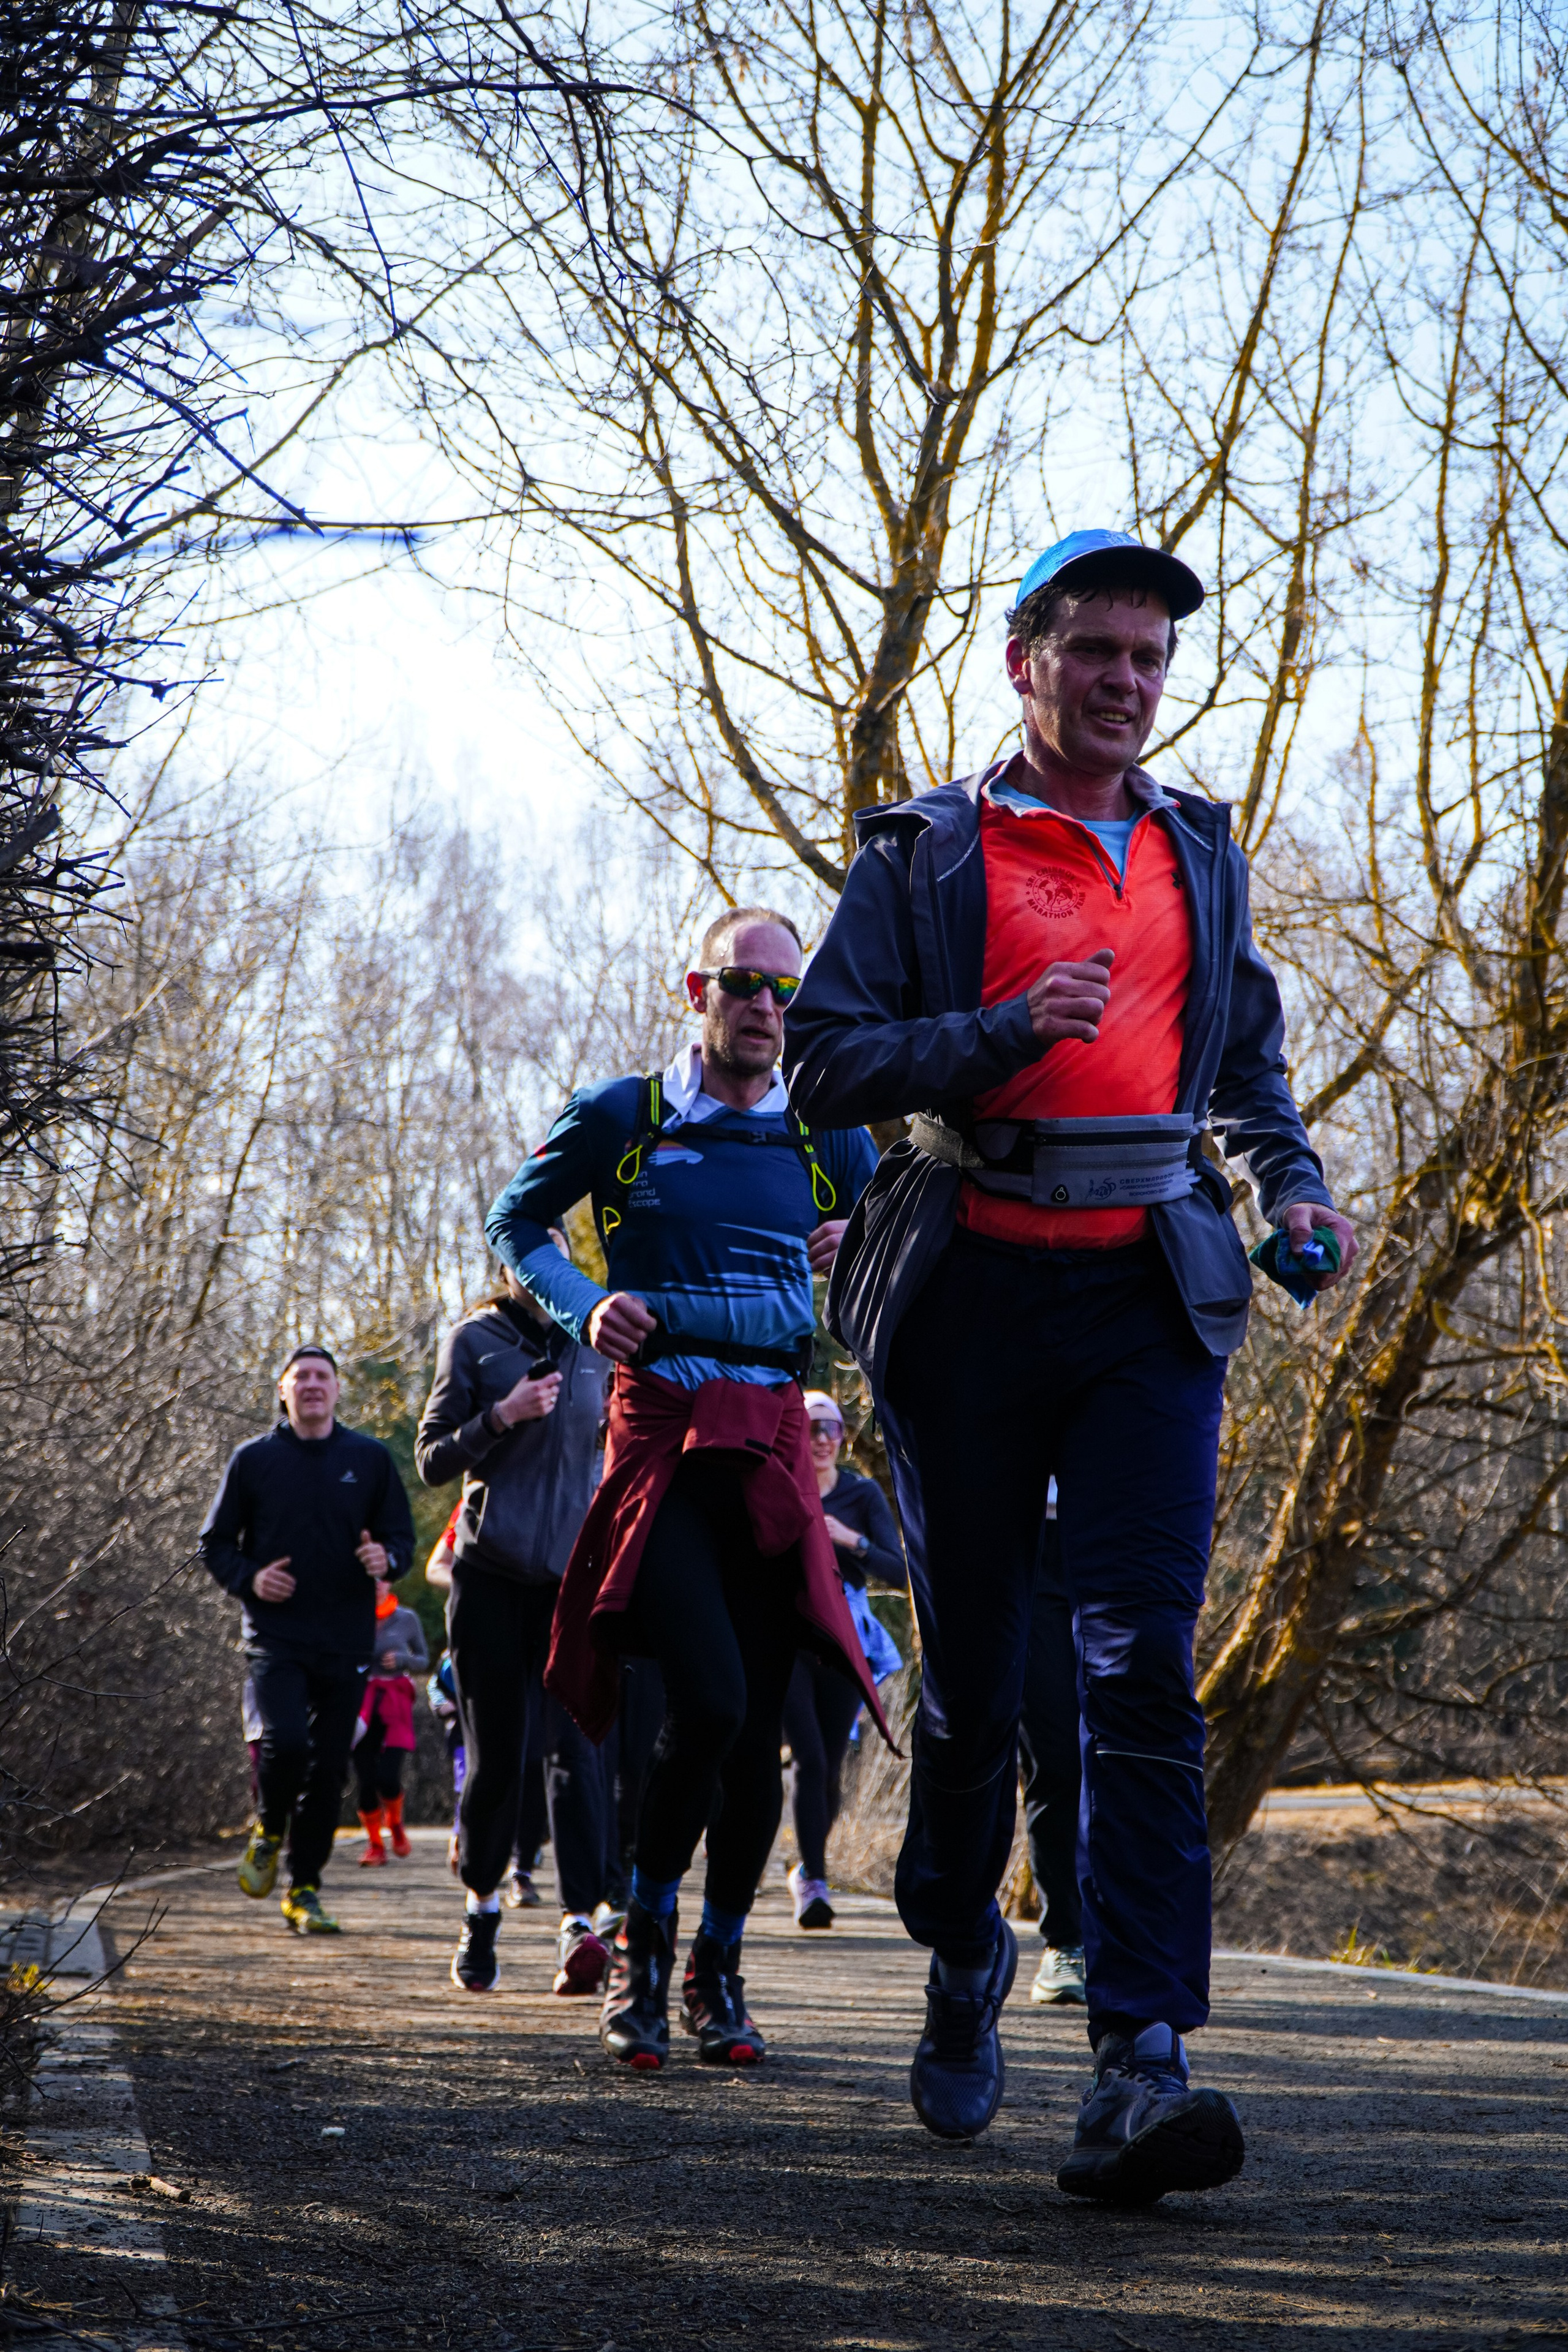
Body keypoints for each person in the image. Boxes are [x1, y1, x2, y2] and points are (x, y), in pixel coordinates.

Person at [783, 527, 1358, 2201]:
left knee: (1134, 1671)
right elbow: (823, 1064)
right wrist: (996, 1035)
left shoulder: (1200, 849)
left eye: (1150, 658)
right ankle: (961, 1939)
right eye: (1094, 651)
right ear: (1023, 662)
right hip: (972, 1298)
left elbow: (1244, 1072)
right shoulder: (932, 853)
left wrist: (1292, 1187)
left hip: (1147, 1305)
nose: (1125, 681)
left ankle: (1138, 2060)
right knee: (971, 1696)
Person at [484, 907, 886, 2071]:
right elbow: (521, 1222)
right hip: (660, 1436)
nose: (766, 1006)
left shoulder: (824, 1126)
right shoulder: (627, 1116)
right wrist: (584, 1304)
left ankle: (718, 1969)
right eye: (745, 984)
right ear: (696, 990)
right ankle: (644, 1951)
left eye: (784, 991)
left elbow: (899, 1238)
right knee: (707, 1700)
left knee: (757, 1724)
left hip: (769, 1444)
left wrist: (856, 1239)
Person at [415, 1244, 614, 1998]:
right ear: (505, 1271)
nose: (539, 1272)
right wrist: (500, 1416)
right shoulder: (474, 1341)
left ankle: (579, 1922)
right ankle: (482, 1909)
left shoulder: (602, 1342)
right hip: (490, 1578)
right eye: (525, 1258)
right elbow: (432, 1459)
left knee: (576, 1754)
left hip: (572, 1583)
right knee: (498, 1760)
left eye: (552, 1257)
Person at [200, 1344, 415, 1936]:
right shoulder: (255, 1460)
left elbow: (402, 1538)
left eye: (324, 1376)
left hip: (347, 1639)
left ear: (338, 1390)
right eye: (302, 1377)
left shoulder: (368, 1458)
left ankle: (306, 1889)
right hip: (276, 1635)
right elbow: (214, 1543)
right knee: (287, 1743)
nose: (314, 1385)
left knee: (329, 1771)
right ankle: (270, 1827)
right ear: (283, 1390)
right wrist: (251, 1578)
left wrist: (386, 1558)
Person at [784, 1390, 905, 1931]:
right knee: (808, 1756)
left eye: (832, 1429)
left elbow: (899, 1570)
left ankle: (807, 1866)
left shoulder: (860, 1494)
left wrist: (850, 1540)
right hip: (787, 1636)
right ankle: (813, 1878)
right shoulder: (779, 1482)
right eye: (812, 1428)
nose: (823, 1439)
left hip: (842, 1637)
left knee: (830, 1763)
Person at [1019, 1487, 1085, 2005]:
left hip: (1113, 1531)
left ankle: (1131, 1944)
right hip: (1021, 1538)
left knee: (1125, 1756)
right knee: (1055, 1759)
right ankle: (1064, 1941)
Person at [353, 1583, 429, 1864]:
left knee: (387, 1777)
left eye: (381, 1580)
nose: (375, 1585)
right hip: (361, 1703)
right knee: (365, 1779)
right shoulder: (354, 1615)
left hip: (394, 1703)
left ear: (390, 1583)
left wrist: (402, 1659)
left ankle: (395, 1823)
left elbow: (423, 1660)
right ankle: (375, 1845)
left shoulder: (406, 1618)